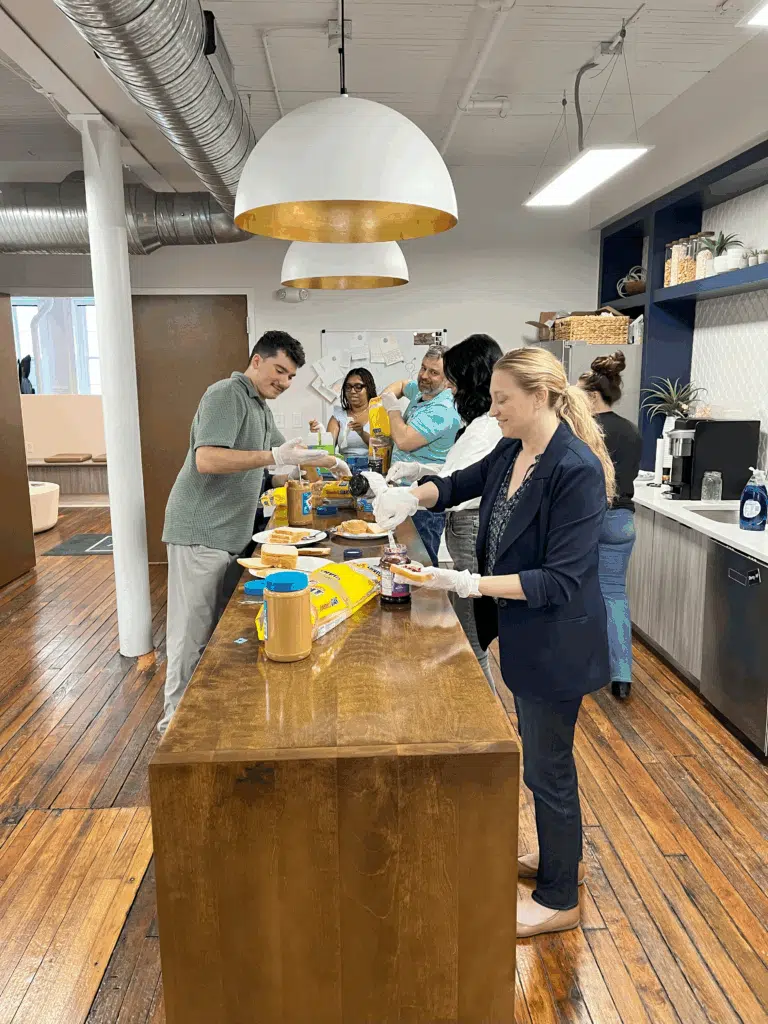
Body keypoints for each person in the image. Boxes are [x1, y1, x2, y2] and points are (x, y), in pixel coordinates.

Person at [374, 347, 614, 938]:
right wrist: (414, 496)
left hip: (558, 643)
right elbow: (457, 484)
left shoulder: (574, 470)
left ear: (540, 396)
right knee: (541, 764)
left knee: (548, 769)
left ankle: (560, 898)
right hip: (526, 634)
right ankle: (558, 862)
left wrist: (467, 582)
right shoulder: (513, 450)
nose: (493, 408)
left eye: (504, 399)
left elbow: (559, 579)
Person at [159, 330, 338, 735]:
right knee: (191, 635)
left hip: (229, 534)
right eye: (279, 370)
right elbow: (208, 459)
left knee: (218, 632)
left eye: (291, 376)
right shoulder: (227, 394)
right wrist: (276, 456)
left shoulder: (259, 407)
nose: (285, 382)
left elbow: (281, 463)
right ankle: (174, 729)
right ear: (256, 360)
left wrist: (323, 462)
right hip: (201, 531)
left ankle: (207, 715)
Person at [387, 334, 502, 689]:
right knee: (465, 628)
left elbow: (455, 487)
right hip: (463, 525)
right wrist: (418, 473)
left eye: (453, 382)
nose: (451, 391)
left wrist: (409, 495)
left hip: (470, 528)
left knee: (469, 637)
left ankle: (490, 724)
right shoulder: (476, 425)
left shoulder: (486, 429)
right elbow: (458, 475)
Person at [578, 351, 642, 701]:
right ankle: (621, 676)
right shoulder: (631, 430)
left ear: (591, 396)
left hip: (589, 519)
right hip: (622, 521)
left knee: (579, 594)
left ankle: (585, 665)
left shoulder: (585, 430)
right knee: (614, 595)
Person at [379, 346, 461, 565]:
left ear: (448, 380)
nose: (424, 376)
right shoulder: (423, 392)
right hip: (402, 494)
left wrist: (392, 410)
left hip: (423, 505)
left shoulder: (443, 409)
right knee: (398, 560)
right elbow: (402, 385)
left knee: (420, 565)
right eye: (423, 368)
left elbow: (405, 441)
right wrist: (382, 400)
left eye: (434, 372)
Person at [309, 367, 377, 460]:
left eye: (358, 387)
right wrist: (318, 435)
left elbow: (382, 448)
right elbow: (328, 450)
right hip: (345, 469)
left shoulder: (378, 414)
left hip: (373, 469)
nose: (352, 391)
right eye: (348, 387)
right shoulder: (338, 416)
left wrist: (362, 433)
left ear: (369, 388)